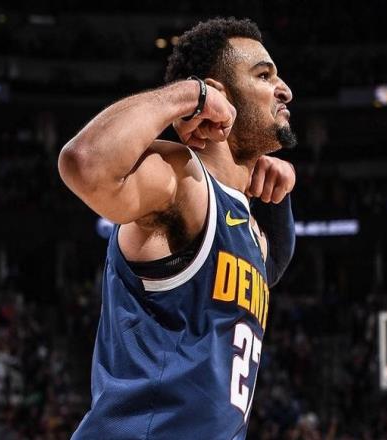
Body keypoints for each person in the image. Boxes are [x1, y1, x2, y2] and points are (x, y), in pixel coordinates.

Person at [58, 16, 296, 440]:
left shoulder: (243, 222)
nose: (284, 89)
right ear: (219, 92)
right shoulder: (182, 182)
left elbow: (272, 264)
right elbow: (85, 163)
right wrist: (189, 95)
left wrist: (279, 196)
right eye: (264, 75)